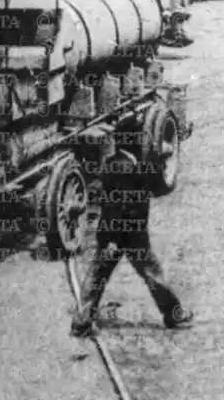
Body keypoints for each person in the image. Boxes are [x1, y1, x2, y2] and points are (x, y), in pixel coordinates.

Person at [71, 130, 193, 337]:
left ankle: (82, 323)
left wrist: (159, 162)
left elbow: (155, 186)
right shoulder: (123, 167)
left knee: (99, 277)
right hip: (126, 233)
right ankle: (174, 314)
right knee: (150, 273)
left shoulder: (130, 163)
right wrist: (111, 240)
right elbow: (115, 207)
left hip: (124, 233)